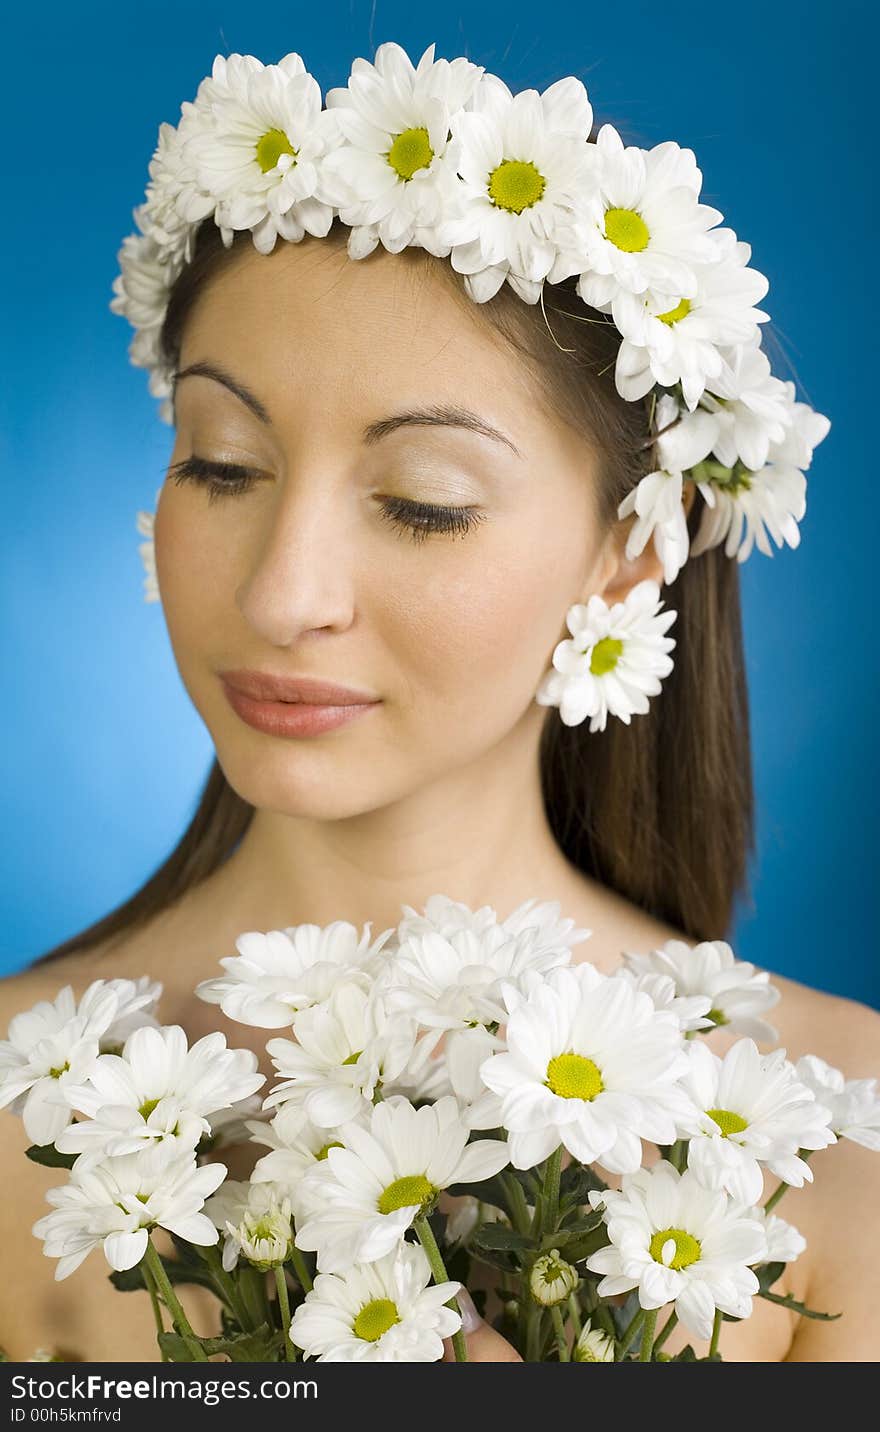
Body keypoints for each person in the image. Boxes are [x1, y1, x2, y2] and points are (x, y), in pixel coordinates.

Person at [1, 44, 877, 1363]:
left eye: (423, 502)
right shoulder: (27, 1102)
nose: (284, 597)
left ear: (632, 546)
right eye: (224, 466)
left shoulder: (837, 1128)